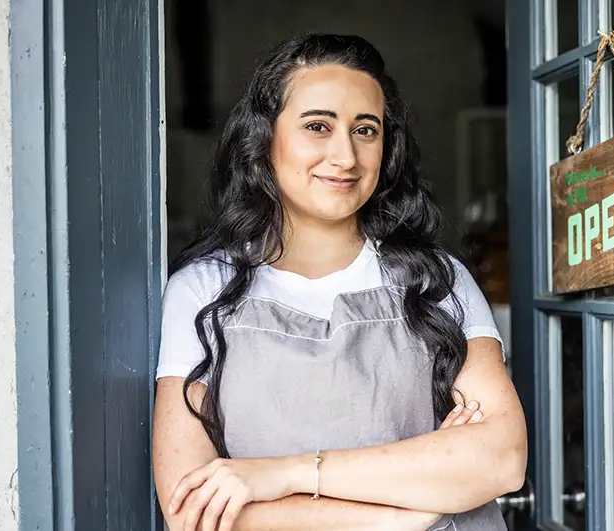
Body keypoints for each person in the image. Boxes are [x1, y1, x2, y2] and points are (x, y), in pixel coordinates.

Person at [152, 33, 527, 531]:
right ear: (264, 140)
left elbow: (501, 460)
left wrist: (280, 476)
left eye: (365, 130)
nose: (345, 156)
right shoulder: (203, 293)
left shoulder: (437, 280)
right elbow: (192, 512)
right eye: (317, 126)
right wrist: (408, 514)